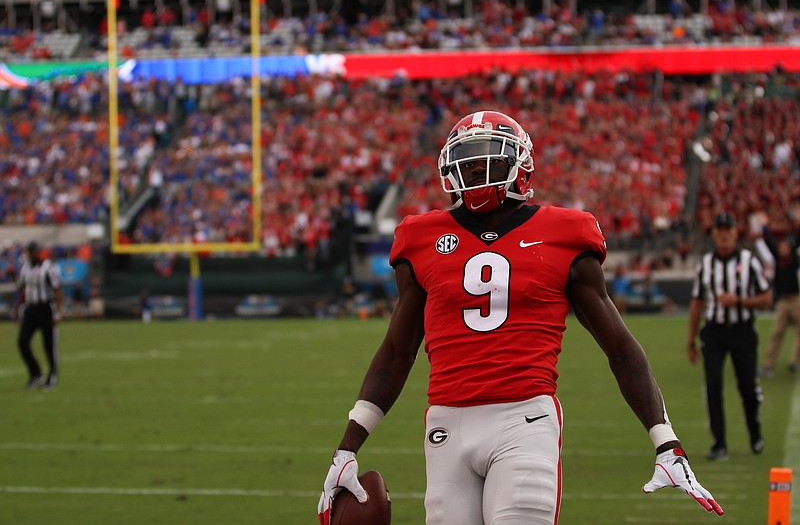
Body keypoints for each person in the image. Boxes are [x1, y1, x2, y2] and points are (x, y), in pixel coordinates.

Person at [318, 110, 723, 524]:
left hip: (523, 418)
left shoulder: (565, 231)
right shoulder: (420, 237)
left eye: (486, 160)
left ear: (521, 165)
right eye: (467, 162)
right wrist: (348, 446)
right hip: (445, 423)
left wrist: (664, 439)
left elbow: (619, 347)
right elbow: (396, 353)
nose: (475, 171)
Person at [687, 212, 773, 461]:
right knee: (713, 386)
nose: (724, 234)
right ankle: (719, 443)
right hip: (714, 332)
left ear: (736, 232)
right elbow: (696, 302)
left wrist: (740, 301)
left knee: (747, 387)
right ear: (714, 233)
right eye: (720, 229)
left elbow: (767, 299)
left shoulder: (749, 261)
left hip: (743, 331)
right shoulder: (705, 264)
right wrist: (690, 340)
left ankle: (755, 433)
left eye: (728, 229)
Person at [14, 241, 63, 390]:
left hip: (45, 308)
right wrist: (18, 308)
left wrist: (57, 312)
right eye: (31, 252)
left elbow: (57, 290)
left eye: (35, 252)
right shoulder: (25, 268)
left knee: (49, 345)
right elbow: (23, 289)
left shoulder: (49, 268)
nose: (33, 254)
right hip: (31, 309)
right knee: (23, 342)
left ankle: (52, 376)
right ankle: (35, 374)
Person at [756, 234, 800, 377]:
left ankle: (794, 361)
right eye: (781, 247)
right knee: (777, 333)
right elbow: (767, 243)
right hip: (783, 301)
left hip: (796, 300)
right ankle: (768, 365)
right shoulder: (777, 260)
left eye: (786, 246)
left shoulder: (795, 260)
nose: (783, 249)